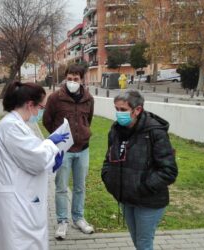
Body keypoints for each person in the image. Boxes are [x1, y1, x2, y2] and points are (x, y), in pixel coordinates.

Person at [0, 81, 69, 250]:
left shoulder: (17, 125)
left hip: (19, 197)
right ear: (30, 105)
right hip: (14, 203)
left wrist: (52, 164)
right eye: (41, 107)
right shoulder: (11, 126)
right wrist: (50, 144)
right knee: (18, 243)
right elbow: (36, 158)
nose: (40, 112)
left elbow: (27, 160)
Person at [101, 89, 178, 250]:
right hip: (126, 198)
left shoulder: (155, 132)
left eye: (123, 110)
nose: (118, 113)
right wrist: (109, 178)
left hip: (148, 201)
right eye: (116, 109)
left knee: (143, 243)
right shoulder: (115, 131)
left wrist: (143, 186)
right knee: (138, 241)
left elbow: (169, 170)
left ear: (138, 110)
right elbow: (109, 158)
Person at [43, 64, 94, 240]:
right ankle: (62, 221)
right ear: (65, 78)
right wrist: (60, 138)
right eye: (69, 78)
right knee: (61, 188)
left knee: (80, 187)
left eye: (76, 79)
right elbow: (47, 121)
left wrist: (83, 133)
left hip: (83, 149)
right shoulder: (56, 98)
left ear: (82, 80)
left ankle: (78, 218)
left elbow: (88, 119)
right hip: (63, 151)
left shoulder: (88, 98)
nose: (72, 82)